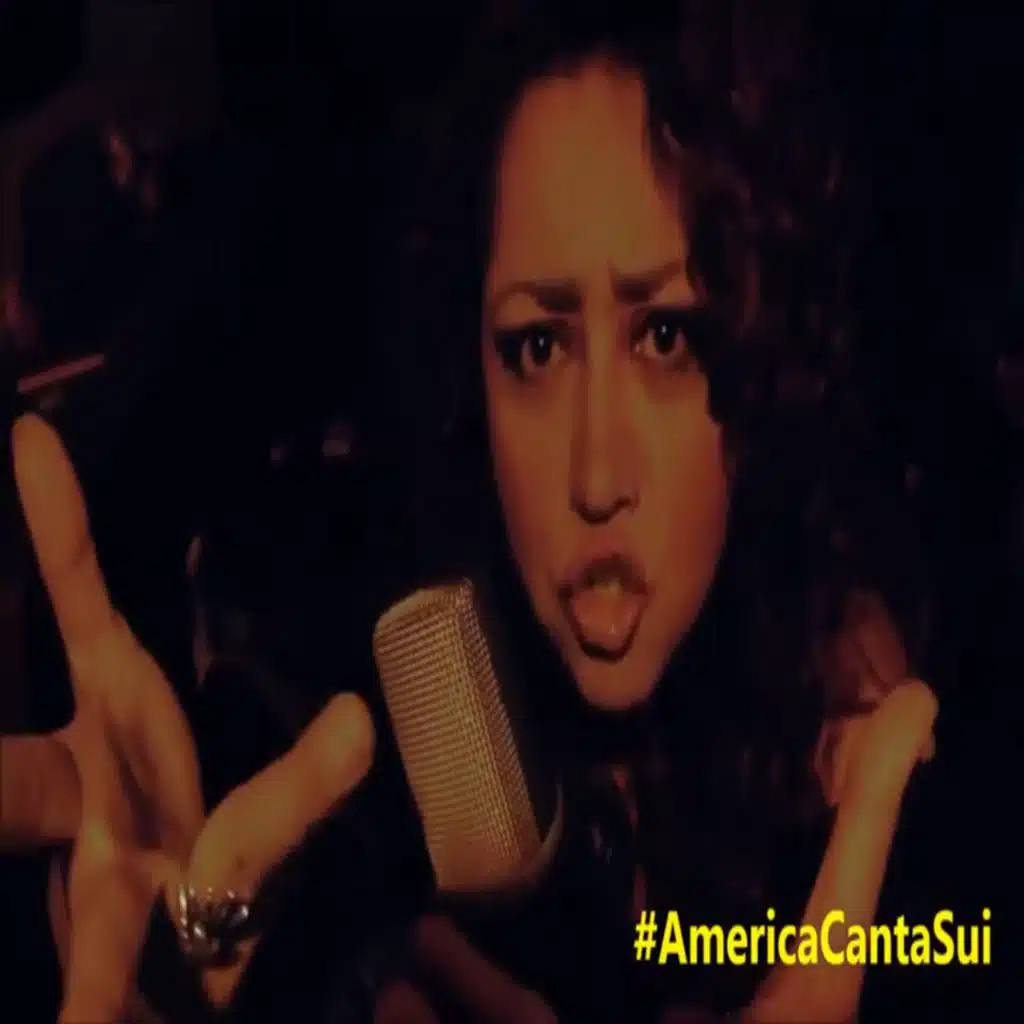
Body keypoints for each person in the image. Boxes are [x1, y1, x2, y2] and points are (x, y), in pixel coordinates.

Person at [0, 1, 1011, 1021]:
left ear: (761, 361)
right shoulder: (376, 708)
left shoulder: (869, 741)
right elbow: (227, 893)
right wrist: (178, 945)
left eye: (666, 336)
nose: (596, 475)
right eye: (537, 346)